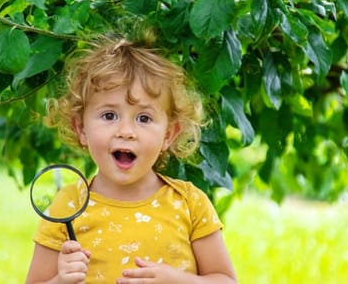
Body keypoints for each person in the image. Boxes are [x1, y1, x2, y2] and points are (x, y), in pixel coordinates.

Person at [24, 35, 237, 284]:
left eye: (143, 118)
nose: (126, 131)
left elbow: (226, 281)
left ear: (169, 134)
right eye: (109, 115)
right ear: (81, 128)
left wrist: (178, 280)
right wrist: (61, 280)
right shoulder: (68, 206)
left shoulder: (190, 203)